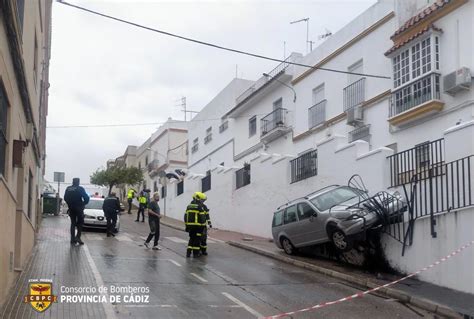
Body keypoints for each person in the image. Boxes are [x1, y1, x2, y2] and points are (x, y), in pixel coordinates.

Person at [64, 178, 90, 245]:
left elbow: (65, 198)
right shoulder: (80, 188)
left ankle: (72, 239)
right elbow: (86, 198)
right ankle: (78, 237)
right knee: (80, 222)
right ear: (78, 182)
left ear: (72, 182)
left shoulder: (68, 188)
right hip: (79, 208)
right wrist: (83, 203)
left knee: (73, 223)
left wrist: (69, 204)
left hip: (71, 208)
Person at [184, 192, 207, 258]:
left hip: (190, 226)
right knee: (197, 240)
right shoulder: (199, 207)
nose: (202, 201)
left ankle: (188, 253)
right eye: (202, 200)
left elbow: (185, 216)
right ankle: (195, 254)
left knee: (191, 239)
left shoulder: (188, 206)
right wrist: (203, 226)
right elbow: (202, 218)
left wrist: (186, 225)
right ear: (198, 199)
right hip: (198, 226)